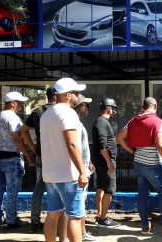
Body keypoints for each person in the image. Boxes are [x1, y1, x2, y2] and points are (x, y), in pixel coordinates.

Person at [116, 97, 162, 238]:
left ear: (143, 106)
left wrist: (132, 151)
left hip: (138, 162)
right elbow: (160, 145)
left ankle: (145, 226)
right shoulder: (156, 121)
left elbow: (119, 137)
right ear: (154, 106)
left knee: (142, 194)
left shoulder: (134, 120)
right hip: (152, 164)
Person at [40, 78, 88, 242]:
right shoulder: (68, 113)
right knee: (74, 216)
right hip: (68, 175)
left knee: (52, 214)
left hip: (50, 175)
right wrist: (82, 172)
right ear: (67, 95)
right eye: (76, 93)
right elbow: (72, 144)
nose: (78, 96)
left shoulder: (46, 114)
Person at [0, 91, 34, 228]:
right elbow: (17, 139)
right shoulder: (13, 117)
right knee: (12, 190)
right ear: (12, 103)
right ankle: (11, 220)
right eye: (20, 103)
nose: (21, 106)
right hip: (11, 157)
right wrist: (28, 155)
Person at [21, 87, 56, 232]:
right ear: (56, 95)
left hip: (41, 155)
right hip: (55, 157)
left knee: (39, 189)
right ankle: (56, 222)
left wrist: (33, 147)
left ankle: (35, 222)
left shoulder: (38, 111)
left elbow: (23, 131)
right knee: (57, 189)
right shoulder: (61, 112)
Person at [73, 94, 99, 241]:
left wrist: (88, 162)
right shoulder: (75, 124)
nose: (87, 108)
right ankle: (81, 233)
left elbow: (80, 148)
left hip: (81, 167)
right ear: (80, 107)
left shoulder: (76, 122)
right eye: (86, 105)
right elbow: (74, 147)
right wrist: (83, 170)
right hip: (79, 171)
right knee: (79, 203)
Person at [91, 98, 120, 228]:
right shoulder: (102, 122)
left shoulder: (101, 122)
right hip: (104, 162)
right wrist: (109, 162)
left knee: (101, 188)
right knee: (109, 190)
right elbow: (103, 146)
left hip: (102, 162)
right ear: (109, 109)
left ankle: (99, 215)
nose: (114, 111)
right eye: (113, 108)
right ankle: (103, 219)